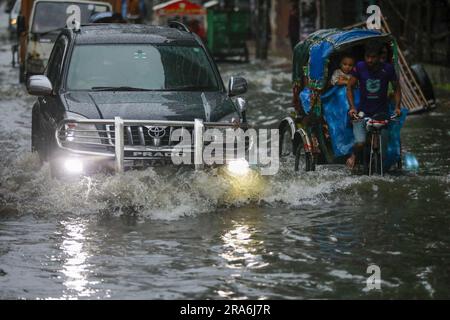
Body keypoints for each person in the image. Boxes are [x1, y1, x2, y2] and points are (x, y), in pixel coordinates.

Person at [346, 41, 402, 169]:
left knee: (384, 151)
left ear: (379, 57)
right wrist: (352, 107)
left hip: (382, 114)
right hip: (363, 113)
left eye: (373, 57)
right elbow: (349, 87)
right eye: (367, 57)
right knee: (360, 142)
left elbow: (397, 88)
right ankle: (353, 156)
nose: (370, 60)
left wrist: (398, 107)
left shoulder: (388, 69)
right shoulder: (359, 67)